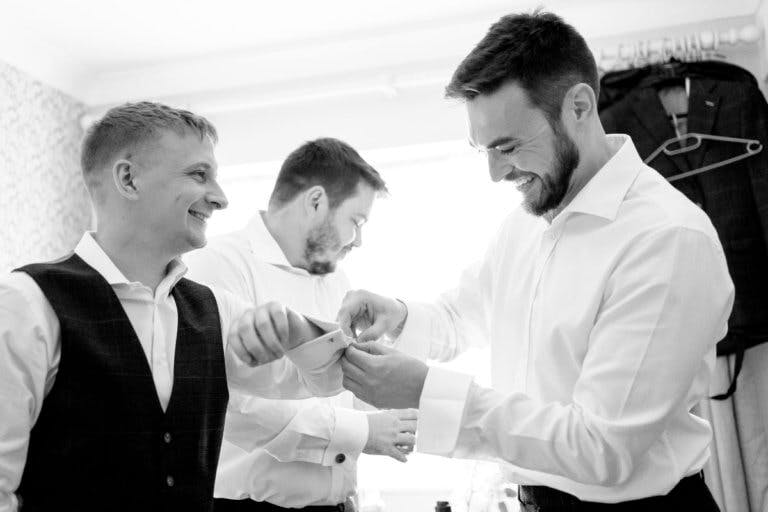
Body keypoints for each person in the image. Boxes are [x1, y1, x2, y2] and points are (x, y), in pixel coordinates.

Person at [335, 11, 734, 511]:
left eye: (508, 146)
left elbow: (602, 447)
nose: (494, 173)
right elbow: (463, 316)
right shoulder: (524, 225)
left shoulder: (667, 240)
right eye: (484, 150)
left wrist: (425, 392)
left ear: (579, 107)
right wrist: (398, 316)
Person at [0, 102, 398, 512]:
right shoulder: (27, 303)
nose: (221, 198)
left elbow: (319, 381)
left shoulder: (216, 310)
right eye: (198, 174)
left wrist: (298, 332)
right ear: (129, 179)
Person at [185, 138, 417, 512]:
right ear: (316, 201)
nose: (359, 241)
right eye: (356, 221)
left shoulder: (336, 281)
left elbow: (334, 393)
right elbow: (232, 404)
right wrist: (362, 432)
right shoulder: (217, 265)